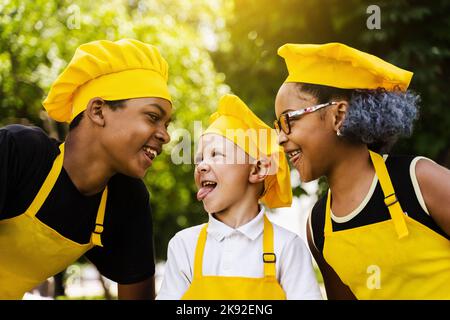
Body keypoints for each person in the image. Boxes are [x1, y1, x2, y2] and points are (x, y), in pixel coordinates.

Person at [274, 42, 450, 299]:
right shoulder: (318, 225)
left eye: (289, 121)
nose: (280, 137)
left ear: (338, 114)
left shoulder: (417, 180)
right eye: (277, 125)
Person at [0, 39, 172, 299]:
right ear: (98, 110)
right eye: (152, 117)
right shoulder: (18, 152)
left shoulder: (126, 199)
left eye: (167, 124)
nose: (165, 136)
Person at [157, 94, 322, 300]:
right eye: (198, 159)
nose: (201, 165)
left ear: (257, 169)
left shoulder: (287, 247)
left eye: (216, 154)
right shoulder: (184, 245)